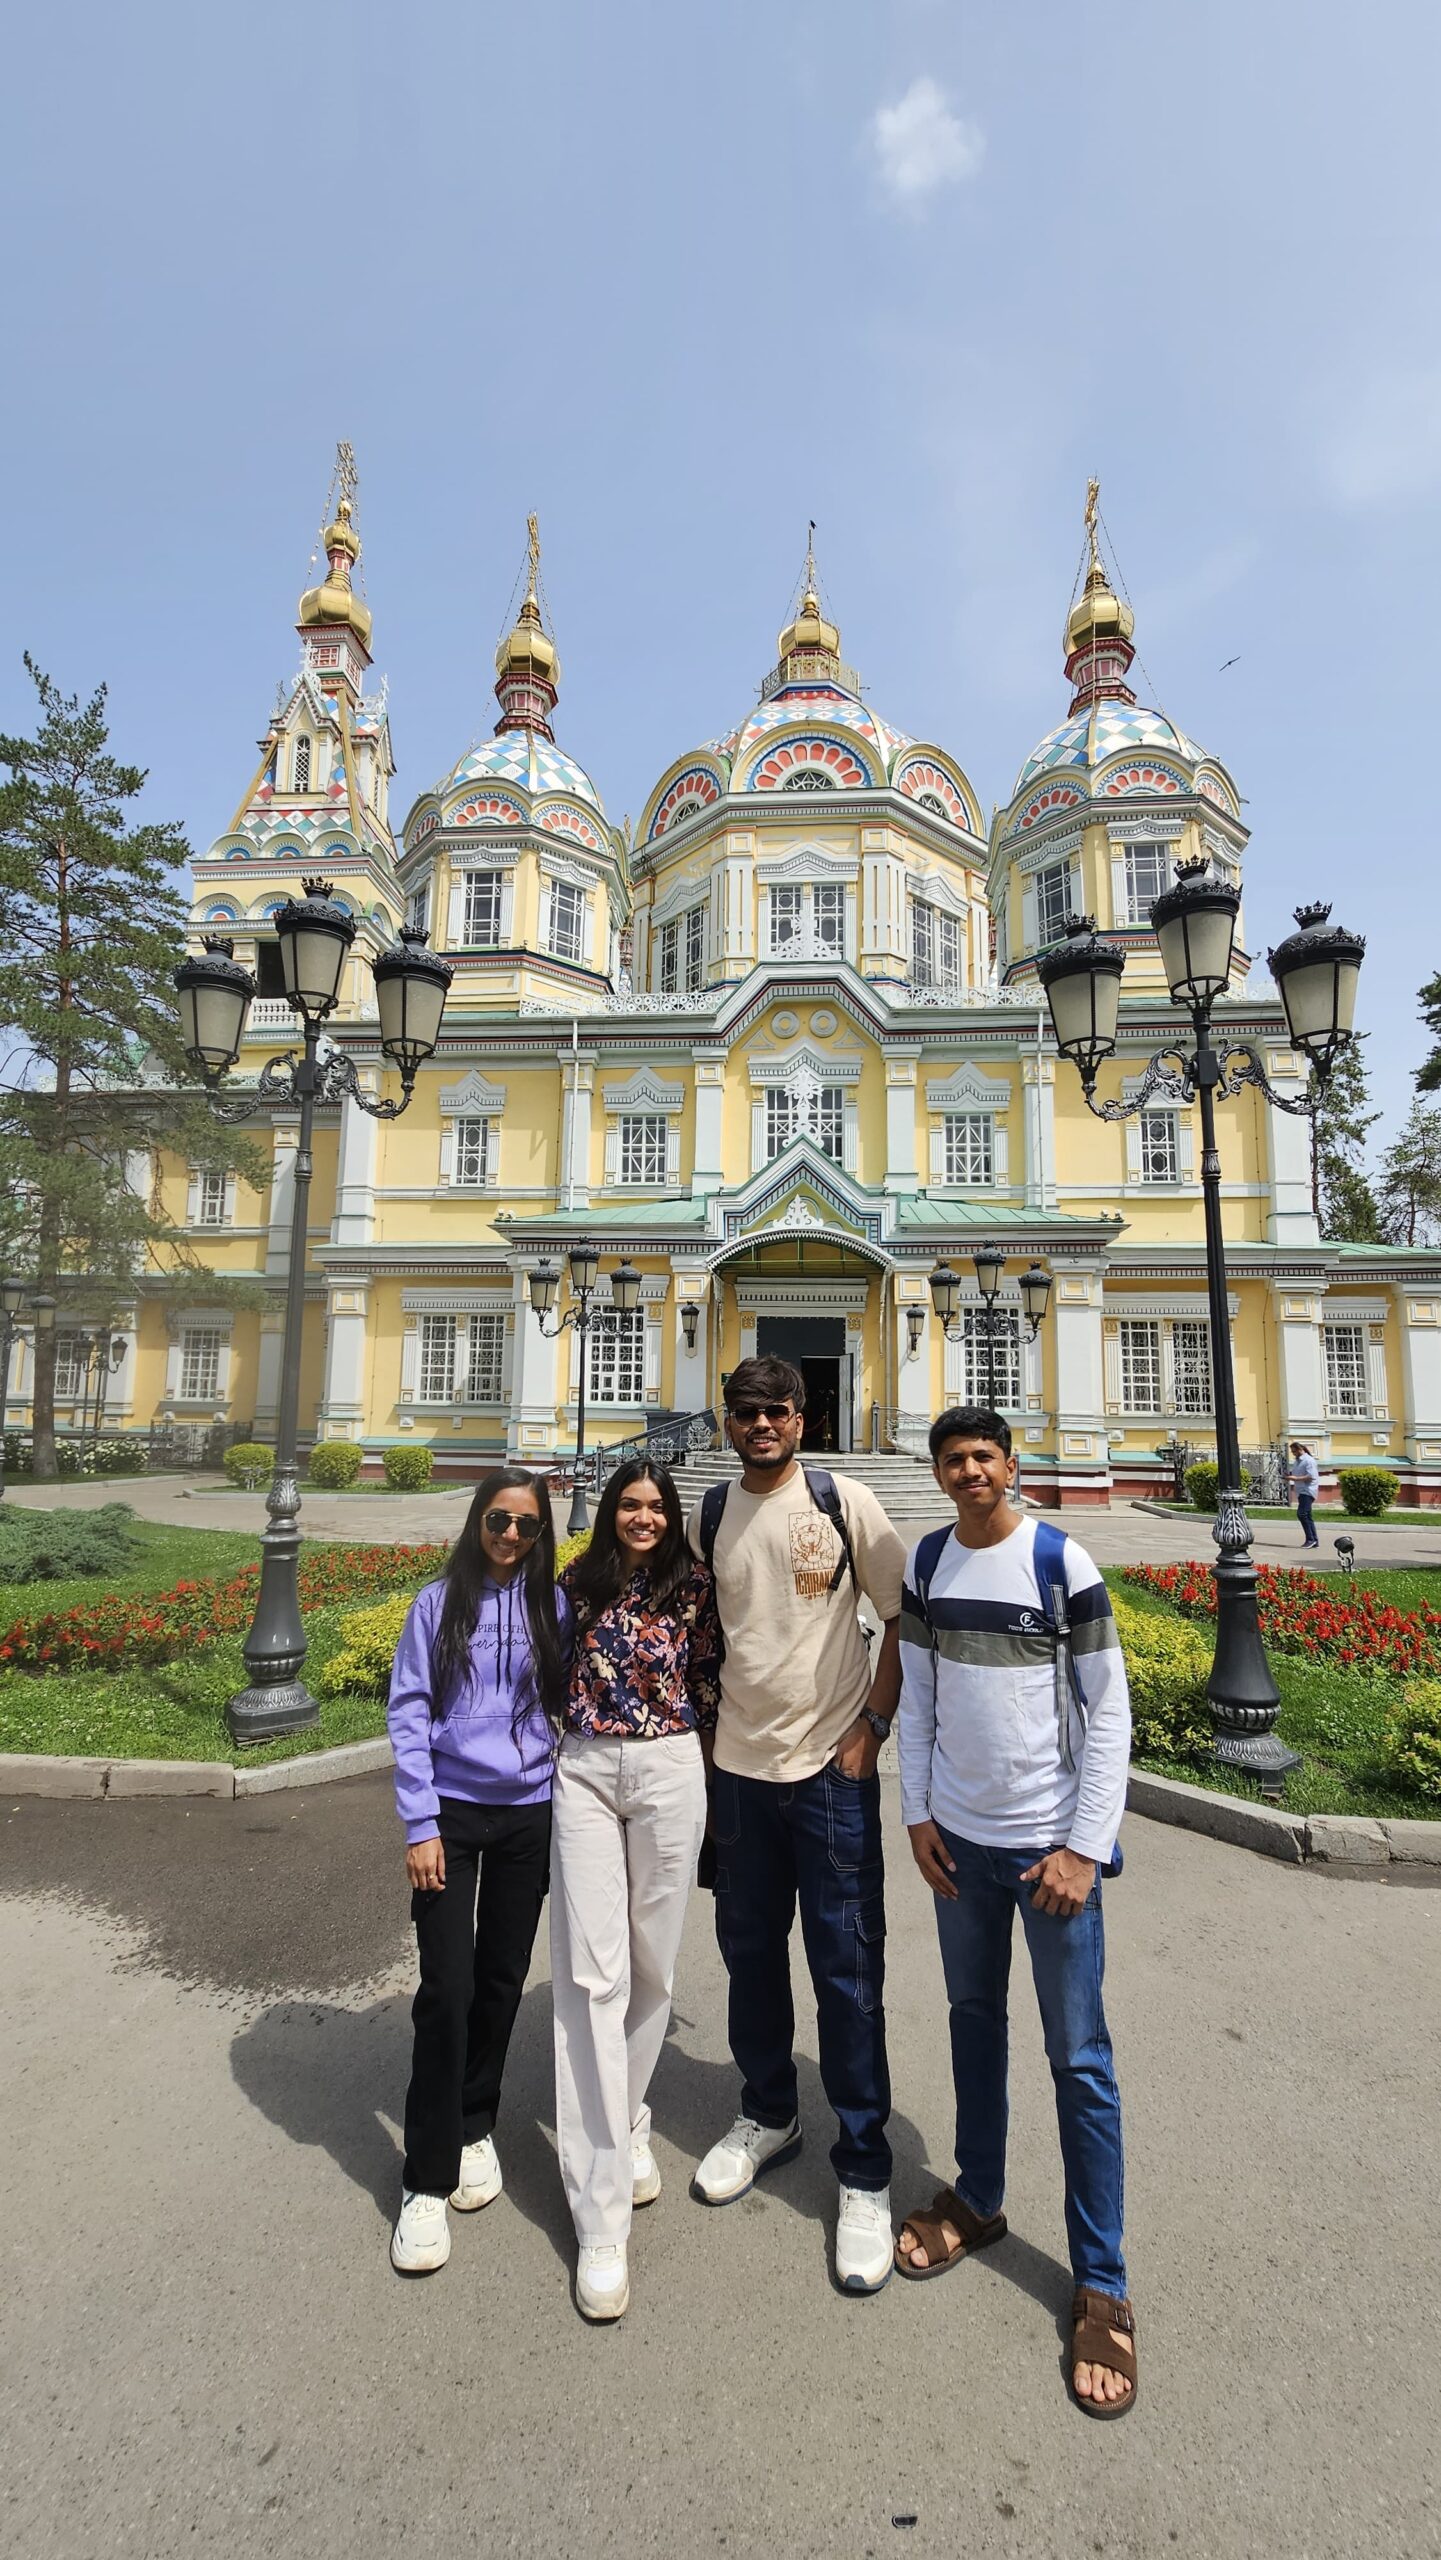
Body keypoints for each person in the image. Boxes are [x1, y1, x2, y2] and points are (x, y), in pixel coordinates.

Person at [894, 1405, 1138, 2418]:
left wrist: (1083, 1847)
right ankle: (980, 2196)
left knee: (1078, 2058)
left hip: (1047, 1856)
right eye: (953, 1459)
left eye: (982, 1456)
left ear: (1010, 1463)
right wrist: (915, 1814)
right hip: (960, 1844)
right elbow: (916, 1698)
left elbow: (1108, 1708)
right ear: (938, 1471)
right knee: (972, 2023)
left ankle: (1102, 2282)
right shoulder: (928, 1563)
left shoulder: (1056, 1561)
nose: (968, 1471)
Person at [686, 1355, 907, 2294]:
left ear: (802, 1418)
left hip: (828, 1773)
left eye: (776, 1409)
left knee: (846, 1968)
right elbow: (690, 1629)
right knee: (748, 1956)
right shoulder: (708, 1513)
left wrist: (872, 1730)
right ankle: (769, 2111)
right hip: (739, 1775)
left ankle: (864, 2167)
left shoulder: (843, 1501)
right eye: (745, 1411)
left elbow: (902, 1618)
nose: (761, 1424)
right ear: (727, 1421)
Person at [385, 1466, 572, 2276]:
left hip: (527, 1813)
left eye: (526, 1525)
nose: (510, 1536)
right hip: (451, 1818)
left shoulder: (552, 1605)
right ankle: (425, 2179)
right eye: (498, 1520)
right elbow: (408, 1709)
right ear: (476, 1522)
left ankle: (473, 2124)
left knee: (500, 1980)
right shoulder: (437, 1604)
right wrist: (420, 1823)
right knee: (447, 1989)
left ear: (541, 1535)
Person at [550, 1461, 721, 2322]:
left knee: (653, 1964)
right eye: (629, 1504)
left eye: (656, 1506)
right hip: (584, 1768)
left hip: (670, 1767)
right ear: (611, 1511)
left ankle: (625, 2119)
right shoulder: (575, 1586)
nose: (643, 1517)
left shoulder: (695, 1587)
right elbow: (542, 1670)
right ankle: (600, 2214)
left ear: (671, 1514)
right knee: (594, 1975)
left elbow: (713, 1683)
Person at [1290, 1441, 1320, 1550]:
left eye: (1294, 1451)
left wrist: (1295, 1478)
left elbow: (1311, 1476)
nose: (1293, 1453)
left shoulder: (1308, 1460)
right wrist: (1289, 1476)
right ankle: (1314, 1540)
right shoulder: (1297, 1461)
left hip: (1307, 1490)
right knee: (1307, 1515)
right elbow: (1297, 1473)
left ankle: (1310, 1540)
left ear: (1300, 1450)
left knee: (1302, 1514)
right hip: (1301, 1490)